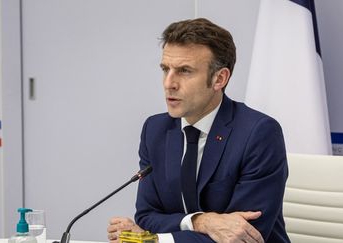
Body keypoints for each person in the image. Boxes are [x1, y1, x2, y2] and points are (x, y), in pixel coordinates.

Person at [108, 18, 290, 243]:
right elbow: (147, 217)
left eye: (184, 71)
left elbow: (241, 236)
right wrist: (200, 221)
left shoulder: (258, 133)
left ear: (219, 78)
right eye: (166, 69)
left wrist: (154, 240)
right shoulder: (155, 130)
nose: (169, 83)